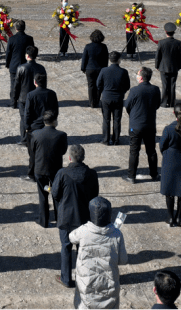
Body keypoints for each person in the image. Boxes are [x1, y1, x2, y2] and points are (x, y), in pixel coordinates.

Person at [52, 144, 99, 289]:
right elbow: (95, 195)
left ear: (69, 158)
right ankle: (82, 278)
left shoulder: (62, 173)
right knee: (82, 249)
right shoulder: (91, 174)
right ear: (83, 157)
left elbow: (54, 194)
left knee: (66, 247)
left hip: (66, 217)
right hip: (84, 217)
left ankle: (66, 279)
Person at [70, 196, 128, 309]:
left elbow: (71, 237)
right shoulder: (116, 234)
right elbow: (123, 260)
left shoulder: (84, 230)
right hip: (109, 288)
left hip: (86, 286)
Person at [31, 111, 67, 228]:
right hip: (55, 171)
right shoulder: (61, 135)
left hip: (40, 170)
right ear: (54, 121)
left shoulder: (36, 134)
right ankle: (59, 219)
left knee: (43, 196)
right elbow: (63, 151)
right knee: (56, 195)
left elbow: (32, 152)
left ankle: (44, 221)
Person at [125, 67, 161, 182]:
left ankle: (131, 176)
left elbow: (127, 105)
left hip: (136, 125)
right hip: (150, 124)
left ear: (141, 77)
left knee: (134, 151)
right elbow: (157, 104)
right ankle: (154, 174)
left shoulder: (134, 90)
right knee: (151, 151)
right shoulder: (155, 89)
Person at [24, 73, 58, 179]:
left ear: (35, 82)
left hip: (34, 128)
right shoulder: (52, 94)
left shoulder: (31, 95)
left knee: (33, 153)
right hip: (48, 126)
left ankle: (32, 174)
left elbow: (27, 113)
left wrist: (26, 126)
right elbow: (55, 111)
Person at [96, 51, 130, 146]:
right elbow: (127, 85)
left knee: (106, 119)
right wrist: (121, 92)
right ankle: (116, 140)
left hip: (106, 97)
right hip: (118, 98)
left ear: (109, 60)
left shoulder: (104, 70)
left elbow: (98, 84)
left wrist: (103, 91)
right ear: (119, 60)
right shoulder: (123, 71)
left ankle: (106, 139)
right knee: (117, 120)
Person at [13, 46, 45, 144]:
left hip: (24, 98)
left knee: (24, 118)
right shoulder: (41, 68)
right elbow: (44, 84)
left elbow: (16, 86)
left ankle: (24, 139)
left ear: (27, 55)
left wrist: (14, 100)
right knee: (36, 117)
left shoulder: (21, 68)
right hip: (37, 97)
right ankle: (37, 137)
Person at [5, 19, 36, 105]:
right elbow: (32, 52)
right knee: (26, 84)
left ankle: (13, 102)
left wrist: (7, 64)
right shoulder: (29, 39)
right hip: (26, 65)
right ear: (24, 28)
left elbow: (8, 53)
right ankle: (26, 101)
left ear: (16, 28)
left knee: (14, 84)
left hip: (14, 65)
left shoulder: (11, 39)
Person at [155, 22, 181, 108]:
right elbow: (180, 56)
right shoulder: (178, 43)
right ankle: (172, 102)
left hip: (163, 67)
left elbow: (158, 56)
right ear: (174, 32)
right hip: (174, 67)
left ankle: (164, 102)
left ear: (165, 31)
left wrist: (157, 66)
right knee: (172, 85)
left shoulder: (161, 42)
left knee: (164, 85)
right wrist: (179, 66)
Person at [81, 29, 109, 109]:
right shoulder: (104, 47)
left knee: (91, 86)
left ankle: (91, 103)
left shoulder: (88, 46)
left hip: (89, 69)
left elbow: (84, 59)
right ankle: (97, 101)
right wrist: (105, 69)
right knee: (99, 86)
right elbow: (105, 59)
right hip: (100, 69)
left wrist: (83, 68)